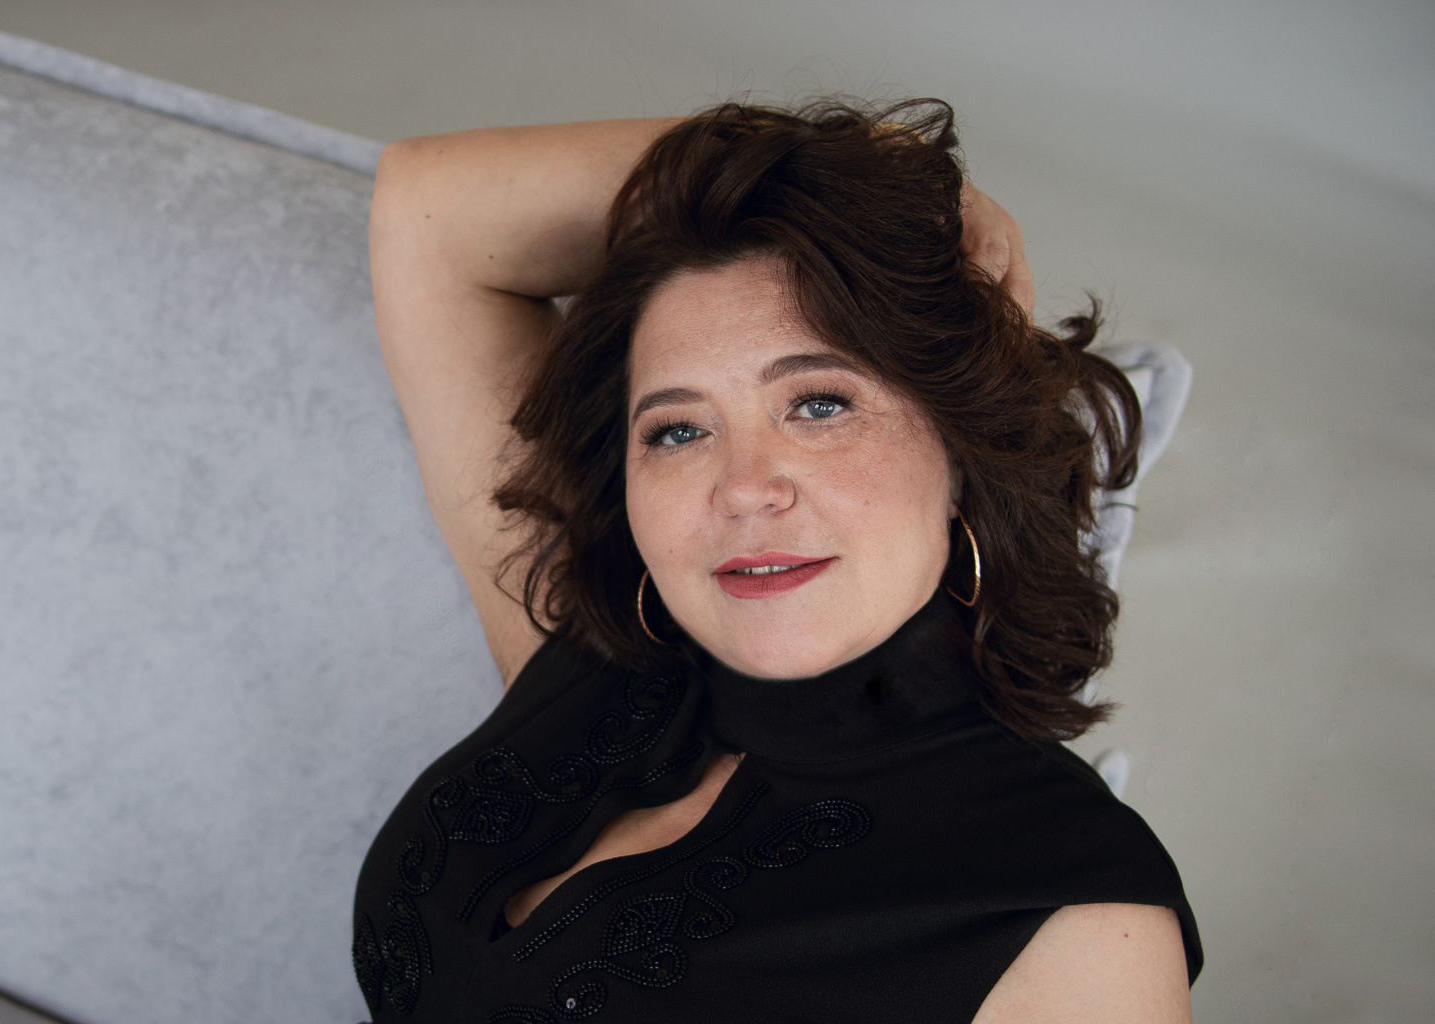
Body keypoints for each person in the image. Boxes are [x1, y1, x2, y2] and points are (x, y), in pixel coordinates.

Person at [350, 99, 1199, 1024]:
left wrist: (864, 193)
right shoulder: (590, 653)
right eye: (677, 430)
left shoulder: (1077, 924)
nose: (744, 487)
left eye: (819, 404)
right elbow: (430, 213)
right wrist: (860, 167)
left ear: (962, 456)